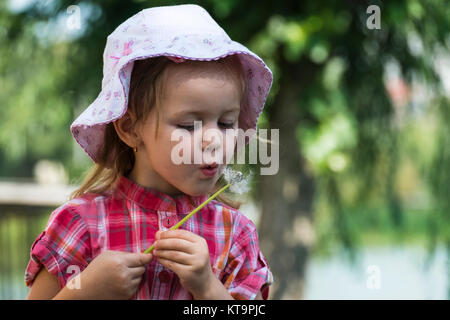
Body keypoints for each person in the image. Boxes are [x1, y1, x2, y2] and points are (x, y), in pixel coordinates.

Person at [25, 4, 273, 300]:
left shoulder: (235, 233)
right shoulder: (81, 224)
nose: (213, 140)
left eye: (226, 123)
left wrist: (208, 287)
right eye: (188, 125)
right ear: (129, 128)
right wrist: (86, 290)